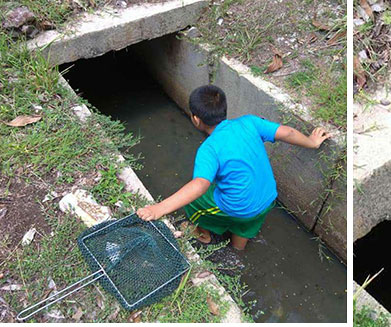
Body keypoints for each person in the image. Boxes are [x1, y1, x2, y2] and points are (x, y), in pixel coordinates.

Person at [136, 84, 330, 250]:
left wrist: (159, 209)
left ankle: (204, 234)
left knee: (194, 202)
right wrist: (312, 142)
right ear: (224, 108)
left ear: (196, 119)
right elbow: (287, 132)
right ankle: (238, 249)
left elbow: (200, 185)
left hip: (240, 207)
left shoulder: (209, 149)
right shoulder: (250, 122)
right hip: (268, 197)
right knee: (247, 223)